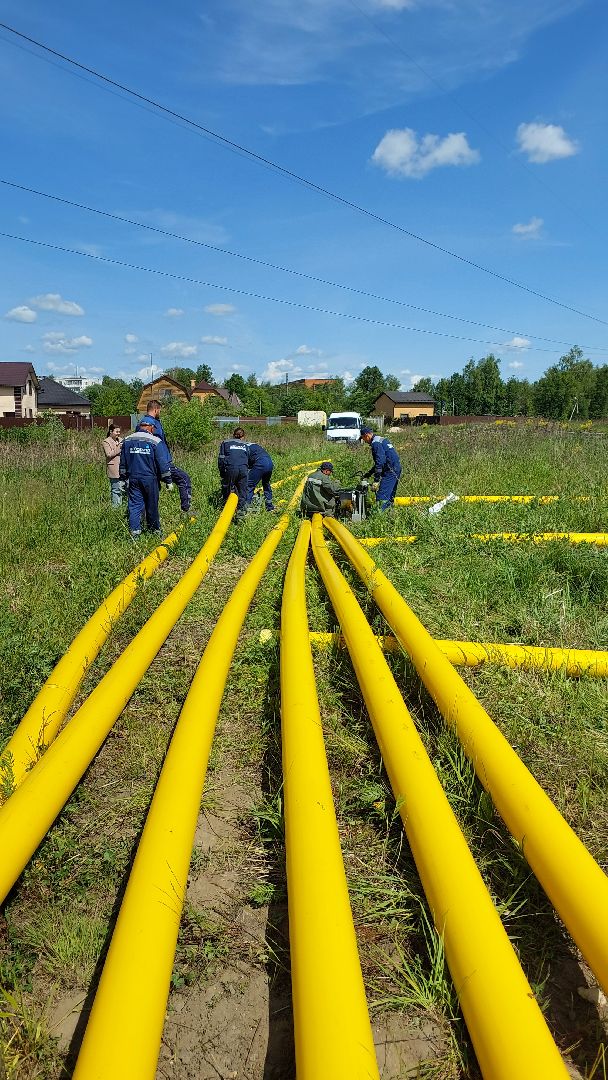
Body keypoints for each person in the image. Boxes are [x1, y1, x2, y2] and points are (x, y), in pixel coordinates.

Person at [119, 421, 173, 539]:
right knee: (151, 505)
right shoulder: (154, 441)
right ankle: (155, 531)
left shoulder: (127, 440)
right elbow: (162, 463)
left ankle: (135, 533)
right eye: (153, 428)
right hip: (149, 478)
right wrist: (168, 480)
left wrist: (122, 478)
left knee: (134, 505)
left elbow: (122, 462)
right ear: (150, 427)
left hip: (133, 478)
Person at [140, 399, 192, 513]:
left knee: (152, 492)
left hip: (148, 464)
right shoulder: (151, 424)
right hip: (161, 463)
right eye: (160, 410)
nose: (160, 413)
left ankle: (144, 518)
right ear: (155, 409)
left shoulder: (142, 422)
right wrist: (163, 464)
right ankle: (186, 510)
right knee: (184, 479)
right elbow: (157, 445)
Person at [359, 427, 402, 510]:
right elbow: (381, 462)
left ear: (366, 435)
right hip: (396, 468)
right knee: (390, 495)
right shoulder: (381, 440)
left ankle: (380, 517)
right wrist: (369, 474)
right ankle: (389, 515)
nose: (364, 441)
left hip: (390, 471)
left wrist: (376, 480)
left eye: (363, 439)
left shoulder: (376, 443)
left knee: (382, 496)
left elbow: (380, 462)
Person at [218, 427, 249, 521]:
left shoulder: (225, 443)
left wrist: (222, 472)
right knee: (242, 491)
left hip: (231, 468)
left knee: (226, 488)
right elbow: (248, 459)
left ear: (233, 434)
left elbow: (221, 459)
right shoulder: (245, 445)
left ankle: (226, 511)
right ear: (243, 436)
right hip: (244, 469)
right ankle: (241, 515)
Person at [246, 440, 275, 511]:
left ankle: (245, 509)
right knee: (266, 483)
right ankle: (269, 507)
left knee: (249, 485)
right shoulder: (253, 445)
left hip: (260, 463)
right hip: (269, 463)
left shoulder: (243, 448)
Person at [102, 424, 125, 507]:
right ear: (111, 431)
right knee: (116, 489)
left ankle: (122, 505)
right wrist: (119, 448)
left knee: (124, 487)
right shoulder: (106, 441)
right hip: (114, 468)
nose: (118, 433)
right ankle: (116, 508)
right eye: (116, 432)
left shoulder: (122, 440)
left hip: (123, 467)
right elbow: (109, 454)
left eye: (119, 432)